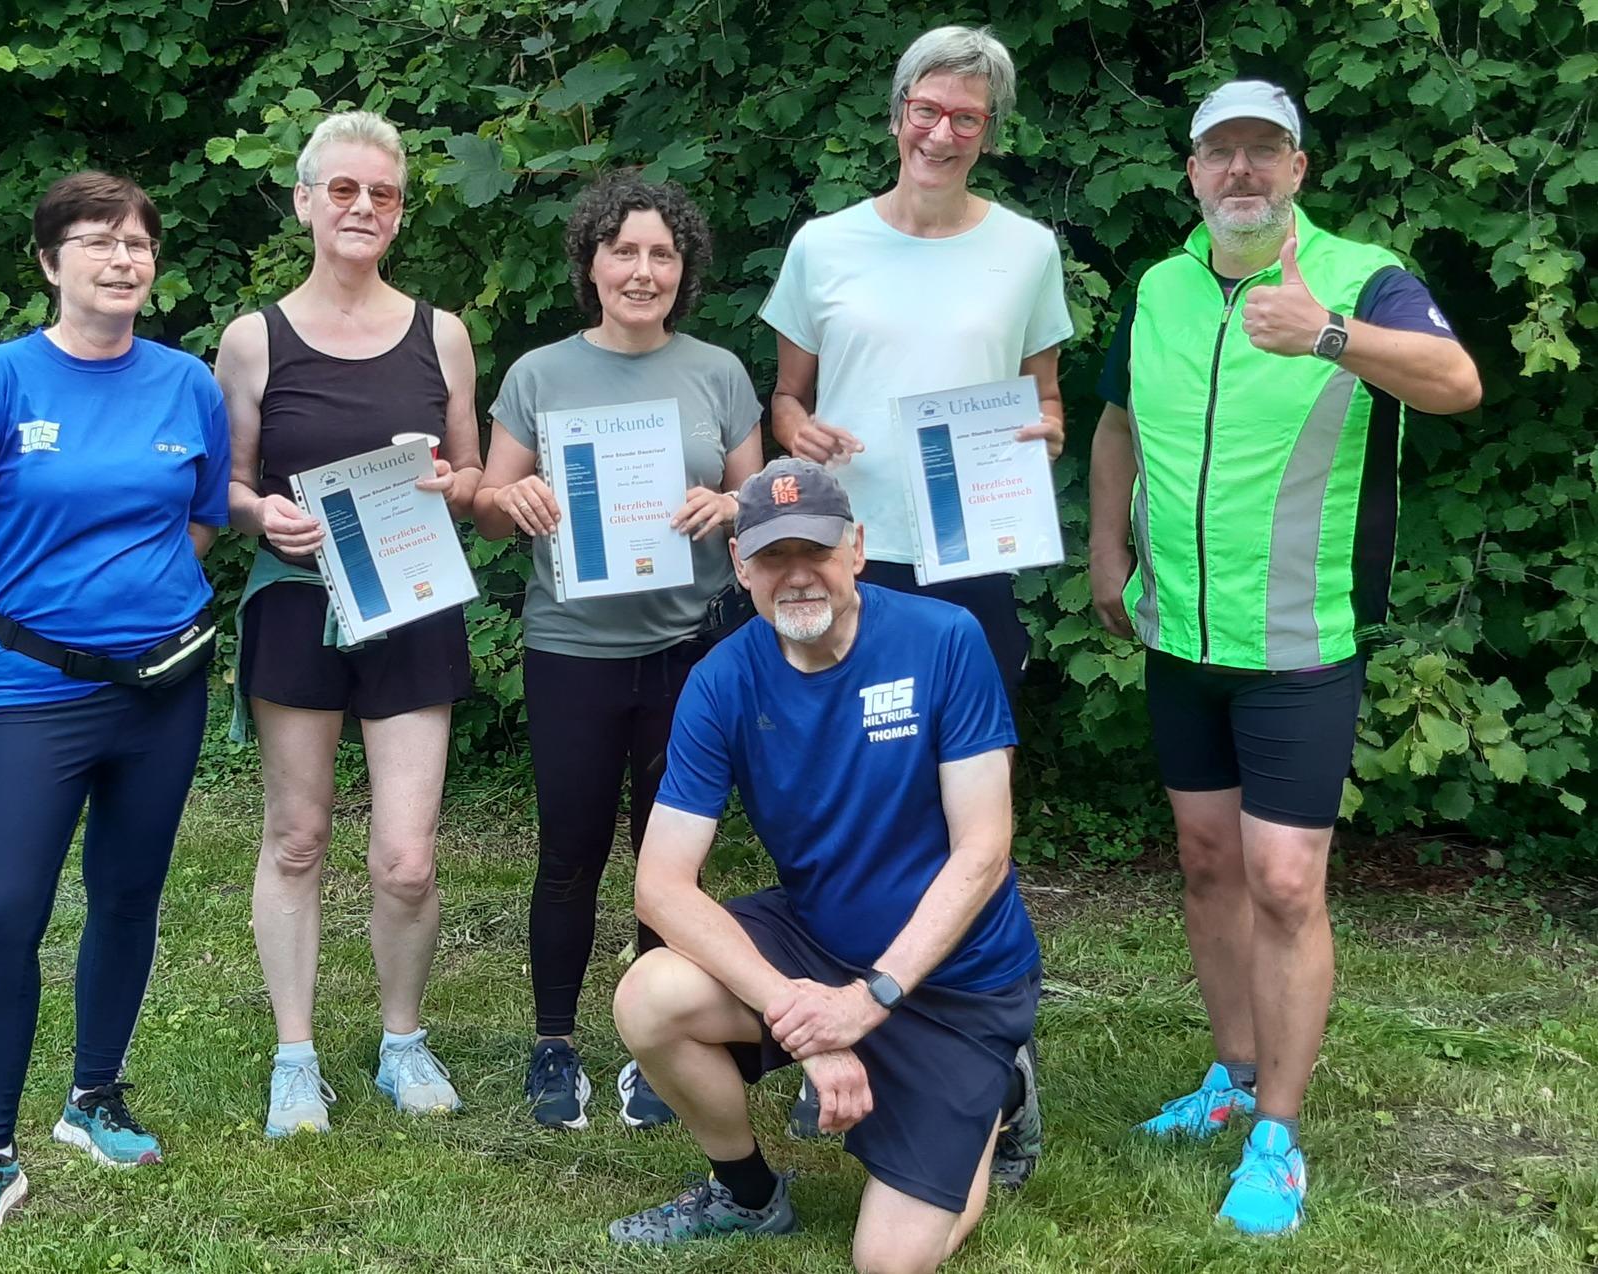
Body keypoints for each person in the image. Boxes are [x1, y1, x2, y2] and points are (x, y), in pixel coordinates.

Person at [1087, 80, 1482, 1235]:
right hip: (1181, 636)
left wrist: (1329, 336)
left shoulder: (1363, 276)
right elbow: (1115, 421)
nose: (1243, 173)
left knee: (1287, 881)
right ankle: (1229, 1076)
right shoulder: (1159, 287)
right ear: (1194, 173)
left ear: (1299, 170)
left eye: (1266, 152)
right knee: (1207, 862)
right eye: (1223, 154)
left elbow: (1459, 387)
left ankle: (1279, 1132)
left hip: (1303, 641)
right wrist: (1107, 549)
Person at [607, 458, 1041, 1274]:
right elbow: (660, 885)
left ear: (857, 548)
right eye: (772, 557)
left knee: (887, 1263)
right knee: (650, 995)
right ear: (740, 565)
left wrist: (872, 997)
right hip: (815, 940)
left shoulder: (943, 640)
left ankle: (1000, 1090)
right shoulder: (721, 679)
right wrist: (804, 1021)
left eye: (816, 550)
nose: (796, 575)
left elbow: (982, 851)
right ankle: (743, 1193)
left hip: (953, 980)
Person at [758, 21, 1062, 1173]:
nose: (942, 132)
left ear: (989, 132)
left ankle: (998, 1055)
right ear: (896, 115)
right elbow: (784, 401)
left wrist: (1025, 434)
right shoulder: (825, 244)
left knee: (960, 812)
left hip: (969, 565)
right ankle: (841, 1034)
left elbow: (1050, 411)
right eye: (927, 110)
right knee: (838, 800)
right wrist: (802, 427)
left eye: (967, 118)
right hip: (843, 562)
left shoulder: (1026, 250)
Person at [0, 171, 231, 1245]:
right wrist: (46, 622)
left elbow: (198, 520)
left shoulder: (188, 383)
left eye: (138, 241)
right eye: (97, 240)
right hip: (39, 692)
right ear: (51, 262)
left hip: (164, 690)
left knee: (128, 891)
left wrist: (136, 614)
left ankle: (95, 1097)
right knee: (4, 908)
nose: (123, 258)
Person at [473, 172, 764, 1132]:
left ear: (686, 270)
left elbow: (758, 506)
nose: (642, 271)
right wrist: (506, 501)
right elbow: (489, 503)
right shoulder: (538, 374)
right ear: (590, 263)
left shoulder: (717, 371)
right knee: (569, 854)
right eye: (623, 251)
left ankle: (650, 1043)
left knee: (665, 860)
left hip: (690, 651)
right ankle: (554, 1042)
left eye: (662, 254)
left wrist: (730, 507)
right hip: (572, 648)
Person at [215, 111, 483, 1133]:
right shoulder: (254, 338)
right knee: (297, 836)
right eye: (344, 190)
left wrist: (447, 484)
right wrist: (258, 512)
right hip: (297, 605)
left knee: (406, 855)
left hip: (409, 605)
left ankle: (402, 1041)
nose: (364, 208)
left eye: (384, 194)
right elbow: (229, 485)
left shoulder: (440, 332)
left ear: (401, 212)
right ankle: (295, 1055)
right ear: (304, 202)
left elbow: (465, 478)